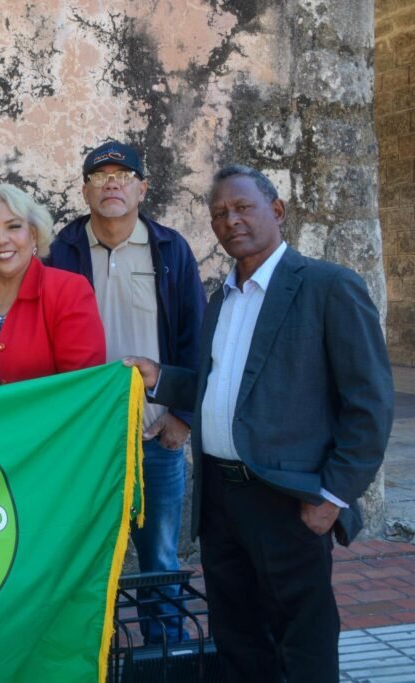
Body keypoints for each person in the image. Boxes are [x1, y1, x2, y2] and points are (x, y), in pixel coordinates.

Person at [126, 165, 394, 681]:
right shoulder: (221, 298)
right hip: (221, 501)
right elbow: (219, 387)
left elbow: (370, 401)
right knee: (238, 637)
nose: (231, 220)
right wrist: (161, 378)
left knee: (303, 639)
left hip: (289, 499)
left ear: (276, 210)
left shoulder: (327, 286)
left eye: (243, 207)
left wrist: (334, 495)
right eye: (220, 213)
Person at [46, 141, 206, 642]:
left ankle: (168, 663)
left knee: (159, 558)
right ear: (84, 189)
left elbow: (194, 338)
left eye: (123, 174)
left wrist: (180, 417)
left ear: (142, 187)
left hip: (153, 436)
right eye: (99, 176)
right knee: (85, 561)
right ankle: (95, 659)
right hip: (86, 441)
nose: (111, 183)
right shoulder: (60, 250)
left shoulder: (169, 248)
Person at [0, 183, 106, 394]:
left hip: (51, 427)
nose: (1, 240)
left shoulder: (68, 291)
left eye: (13, 226)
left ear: (33, 235)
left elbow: (82, 388)